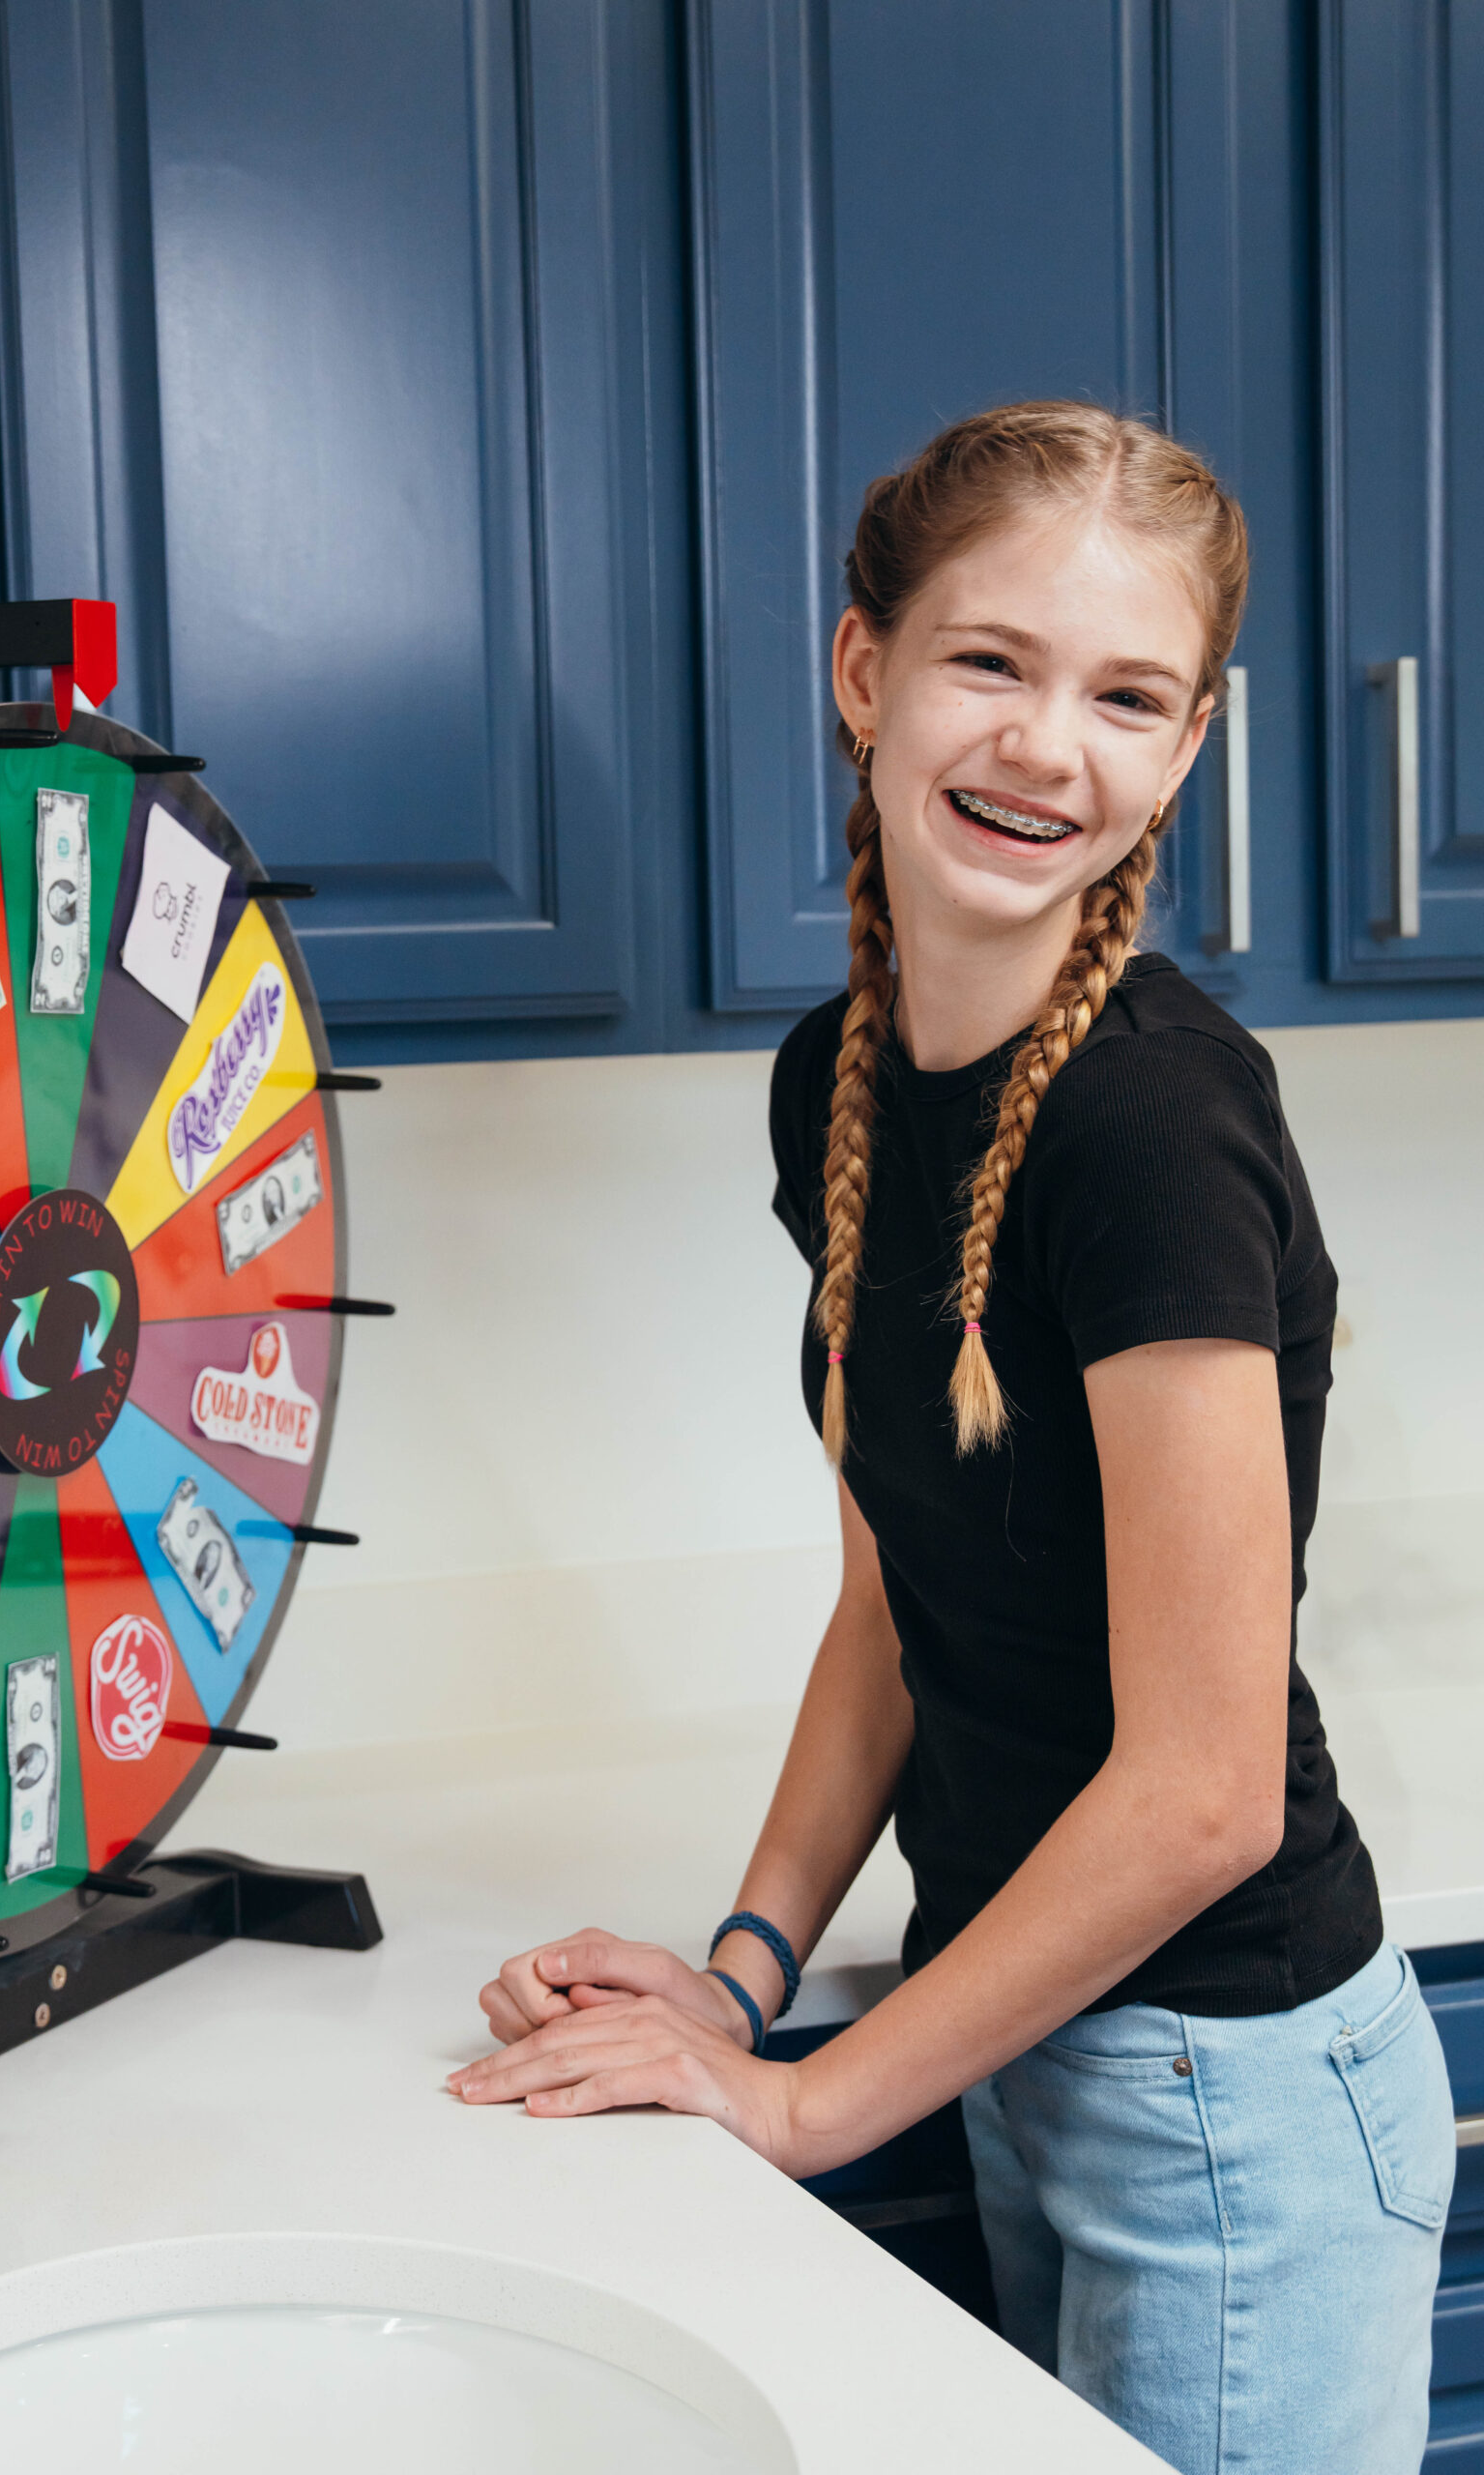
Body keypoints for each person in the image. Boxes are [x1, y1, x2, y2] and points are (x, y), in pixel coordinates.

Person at [449, 403, 1454, 2472]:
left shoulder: (1149, 1131)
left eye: (1126, 695)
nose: (1042, 744)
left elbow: (1202, 1794)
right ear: (862, 674)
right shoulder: (836, 1076)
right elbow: (892, 1620)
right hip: (1013, 2025)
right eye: (987, 660)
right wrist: (739, 1973)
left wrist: (808, 2099)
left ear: (1184, 754)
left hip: (1226, 2086)